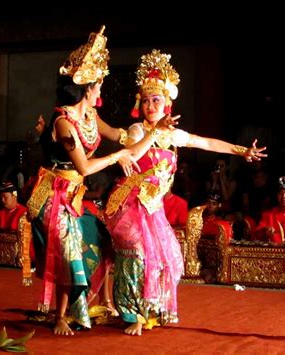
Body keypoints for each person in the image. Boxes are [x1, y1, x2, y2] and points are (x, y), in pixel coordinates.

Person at [104, 49, 267, 336]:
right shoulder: (137, 130)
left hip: (153, 208)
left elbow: (206, 143)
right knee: (138, 255)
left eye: (156, 100)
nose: (150, 105)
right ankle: (132, 314)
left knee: (170, 259)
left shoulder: (173, 135)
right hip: (130, 204)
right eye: (145, 101)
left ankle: (149, 307)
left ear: (167, 103)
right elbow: (131, 152)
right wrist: (155, 133)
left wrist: (243, 151)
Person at [26, 27, 176, 336]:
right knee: (69, 252)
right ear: (87, 88)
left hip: (74, 196)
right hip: (52, 197)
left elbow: (123, 137)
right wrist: (117, 156)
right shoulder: (65, 123)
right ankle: (60, 316)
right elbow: (84, 166)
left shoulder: (91, 118)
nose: (101, 90)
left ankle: (96, 305)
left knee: (101, 240)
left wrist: (152, 130)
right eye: (99, 85)